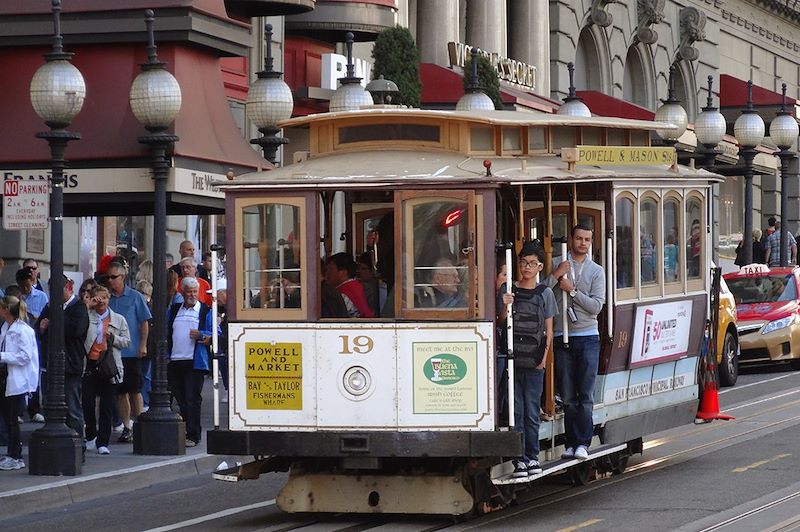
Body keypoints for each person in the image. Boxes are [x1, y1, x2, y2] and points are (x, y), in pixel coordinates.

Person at [498, 243, 557, 478]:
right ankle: (519, 460)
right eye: (523, 263)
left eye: (532, 263)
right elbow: (502, 321)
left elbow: (549, 330)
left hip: (534, 362)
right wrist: (505, 305)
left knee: (532, 412)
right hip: (514, 360)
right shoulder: (509, 289)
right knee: (517, 412)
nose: (527, 267)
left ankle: (532, 457)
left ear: (540, 266)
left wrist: (542, 359)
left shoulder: (545, 293)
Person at [547, 224, 606, 461]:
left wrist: (571, 291)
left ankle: (583, 442)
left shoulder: (596, 271)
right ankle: (571, 443)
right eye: (579, 238)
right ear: (571, 239)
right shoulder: (559, 265)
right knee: (568, 395)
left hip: (588, 336)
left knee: (586, 394)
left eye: (587, 239)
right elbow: (542, 292)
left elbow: (596, 306)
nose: (583, 243)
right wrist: (555, 275)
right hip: (563, 336)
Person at [37, 275, 89, 457]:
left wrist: (52, 323)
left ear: (68, 287)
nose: (55, 296)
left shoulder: (79, 307)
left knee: (73, 407)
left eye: (58, 291)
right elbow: (40, 326)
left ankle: (78, 446)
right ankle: (59, 444)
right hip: (52, 364)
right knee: (52, 406)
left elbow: (76, 329)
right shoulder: (51, 307)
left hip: (71, 364)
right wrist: (44, 326)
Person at [167, 277, 215, 447]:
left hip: (195, 362)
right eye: (189, 291)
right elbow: (166, 330)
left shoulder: (205, 311)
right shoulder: (173, 310)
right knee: (180, 398)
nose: (193, 295)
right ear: (183, 292)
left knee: (192, 397)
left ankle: (193, 434)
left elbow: (215, 332)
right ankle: (186, 430)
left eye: (195, 291)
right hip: (175, 360)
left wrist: (201, 335)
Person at [107, 262, 151, 443]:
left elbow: (144, 322)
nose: (110, 281)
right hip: (112, 353)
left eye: (113, 277)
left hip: (131, 351)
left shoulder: (135, 297)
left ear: (123, 277)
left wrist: (143, 345)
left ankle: (139, 424)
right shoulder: (107, 297)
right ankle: (127, 426)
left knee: (134, 389)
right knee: (120, 391)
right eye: (108, 277)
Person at [83, 285, 129, 455]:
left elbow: (127, 341)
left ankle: (103, 441)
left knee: (107, 405)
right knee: (87, 402)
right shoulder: (87, 316)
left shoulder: (118, 319)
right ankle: (91, 436)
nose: (101, 301)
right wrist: (88, 306)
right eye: (98, 297)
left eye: (105, 297)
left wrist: (114, 338)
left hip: (109, 365)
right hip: (90, 363)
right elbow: (79, 334)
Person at [0, 295, 39, 470]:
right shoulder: (6, 327)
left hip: (18, 380)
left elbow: (25, 357)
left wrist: (3, 356)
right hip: (6, 377)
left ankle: (16, 456)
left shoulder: (22, 330)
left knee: (13, 420)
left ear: (6, 309)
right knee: (8, 419)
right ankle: (11, 453)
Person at [16, 267, 46, 422]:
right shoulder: (16, 297)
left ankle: (35, 409)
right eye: (23, 286)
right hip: (19, 339)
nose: (26, 289)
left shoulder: (41, 296)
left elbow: (46, 314)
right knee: (19, 374)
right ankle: (19, 409)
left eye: (28, 285)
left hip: (35, 338)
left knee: (34, 372)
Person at [324, 253, 374, 318]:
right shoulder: (357, 286)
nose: (327, 272)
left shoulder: (343, 295)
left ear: (343, 272)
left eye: (331, 269)